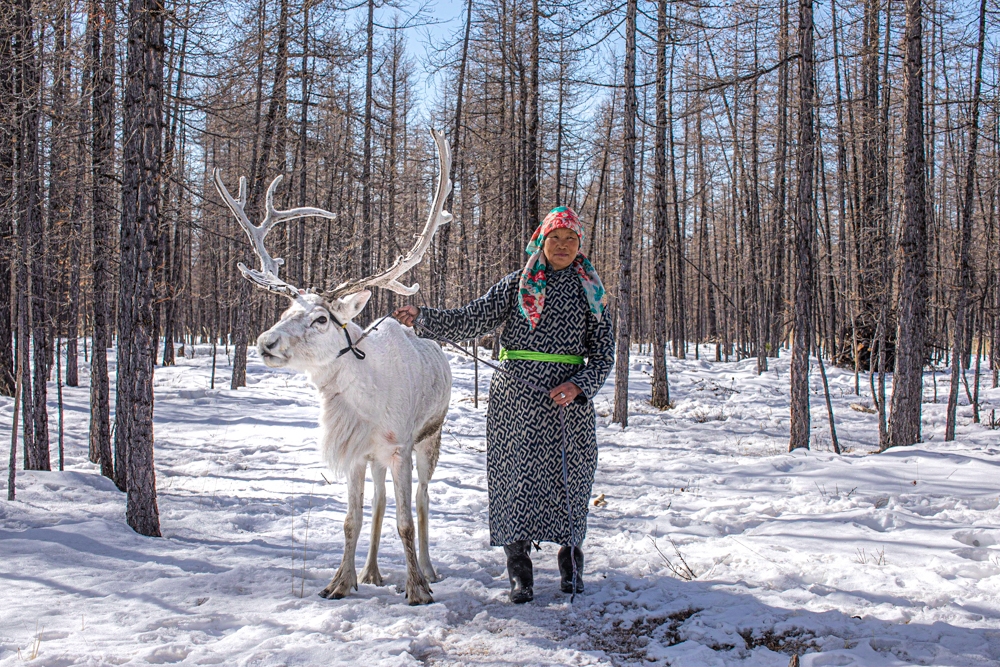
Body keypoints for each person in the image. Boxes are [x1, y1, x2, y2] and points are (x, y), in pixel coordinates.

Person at [393, 206, 615, 603]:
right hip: (517, 398)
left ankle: (570, 558)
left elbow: (603, 355)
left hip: (569, 402)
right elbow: (471, 319)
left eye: (570, 240)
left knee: (572, 476)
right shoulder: (517, 285)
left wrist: (580, 385)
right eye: (555, 239)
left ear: (580, 245)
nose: (562, 246)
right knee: (516, 477)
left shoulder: (592, 293)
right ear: (541, 242)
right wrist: (422, 317)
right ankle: (519, 566)